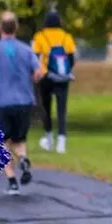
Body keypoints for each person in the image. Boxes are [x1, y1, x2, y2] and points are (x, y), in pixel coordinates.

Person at [0, 11, 42, 195]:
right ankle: (23, 157)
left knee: (1, 142)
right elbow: (38, 73)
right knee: (19, 138)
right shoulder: (26, 49)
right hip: (24, 100)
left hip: (1, 101)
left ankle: (12, 181)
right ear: (16, 28)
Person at [32, 9, 78, 154]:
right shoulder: (66, 36)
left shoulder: (40, 36)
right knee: (61, 109)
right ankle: (61, 143)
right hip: (63, 78)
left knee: (46, 107)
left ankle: (49, 138)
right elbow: (71, 57)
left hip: (46, 76)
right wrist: (65, 71)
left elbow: (35, 56)